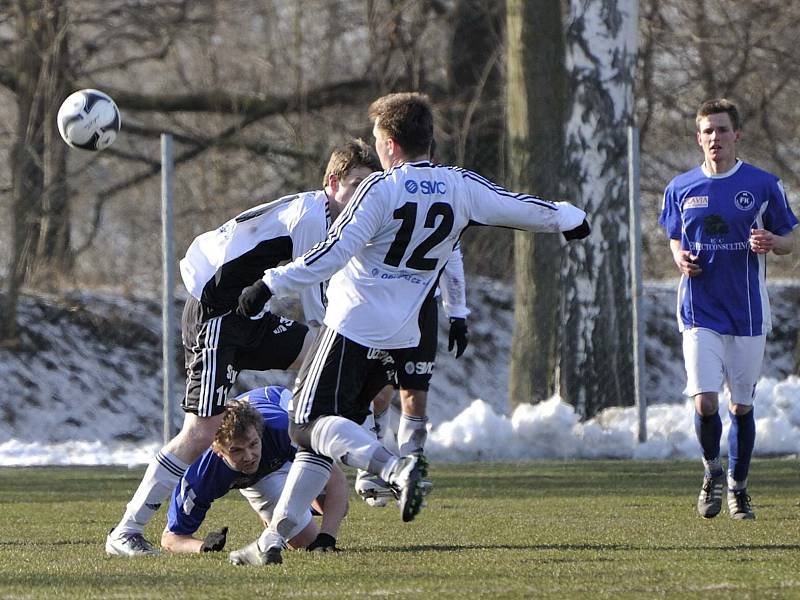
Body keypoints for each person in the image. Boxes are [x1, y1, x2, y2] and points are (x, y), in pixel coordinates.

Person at [235, 91, 590, 566]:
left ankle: (394, 466)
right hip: (403, 330)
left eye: (379, 139)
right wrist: (568, 217)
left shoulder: (380, 189)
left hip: (352, 326)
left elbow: (334, 252)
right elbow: (517, 206)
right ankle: (271, 542)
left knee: (305, 425)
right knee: (324, 442)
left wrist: (271, 281)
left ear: (390, 145)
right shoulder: (459, 185)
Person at [106, 139, 381, 556]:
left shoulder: (324, 219)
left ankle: (343, 451)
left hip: (245, 315)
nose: (362, 194)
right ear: (332, 183)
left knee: (320, 353)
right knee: (201, 431)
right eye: (356, 183)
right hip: (215, 317)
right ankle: (125, 531)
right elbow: (316, 302)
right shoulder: (313, 217)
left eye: (370, 186)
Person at [659, 98, 797, 520]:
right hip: (700, 311)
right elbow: (674, 237)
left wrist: (774, 243)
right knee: (704, 402)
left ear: (737, 135)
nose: (715, 138)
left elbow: (791, 237)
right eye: (707, 131)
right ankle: (711, 471)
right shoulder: (680, 188)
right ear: (698, 138)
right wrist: (679, 258)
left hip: (748, 313)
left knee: (741, 406)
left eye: (722, 130)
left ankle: (738, 487)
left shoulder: (762, 184)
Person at [354, 139, 471, 506]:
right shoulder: (381, 194)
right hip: (380, 305)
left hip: (422, 308)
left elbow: (452, 259)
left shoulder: (446, 200)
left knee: (414, 394)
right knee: (377, 390)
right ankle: (370, 470)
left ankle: (411, 470)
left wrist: (458, 313)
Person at [160, 385, 348, 559]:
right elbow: (171, 538)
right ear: (218, 450)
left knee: (336, 505)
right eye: (236, 450)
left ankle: (301, 504)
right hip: (260, 475)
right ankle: (284, 508)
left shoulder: (284, 429)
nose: (249, 456)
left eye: (253, 444)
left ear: (260, 433)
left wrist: (327, 537)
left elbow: (335, 478)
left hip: (280, 416)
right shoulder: (202, 472)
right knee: (306, 542)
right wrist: (203, 546)